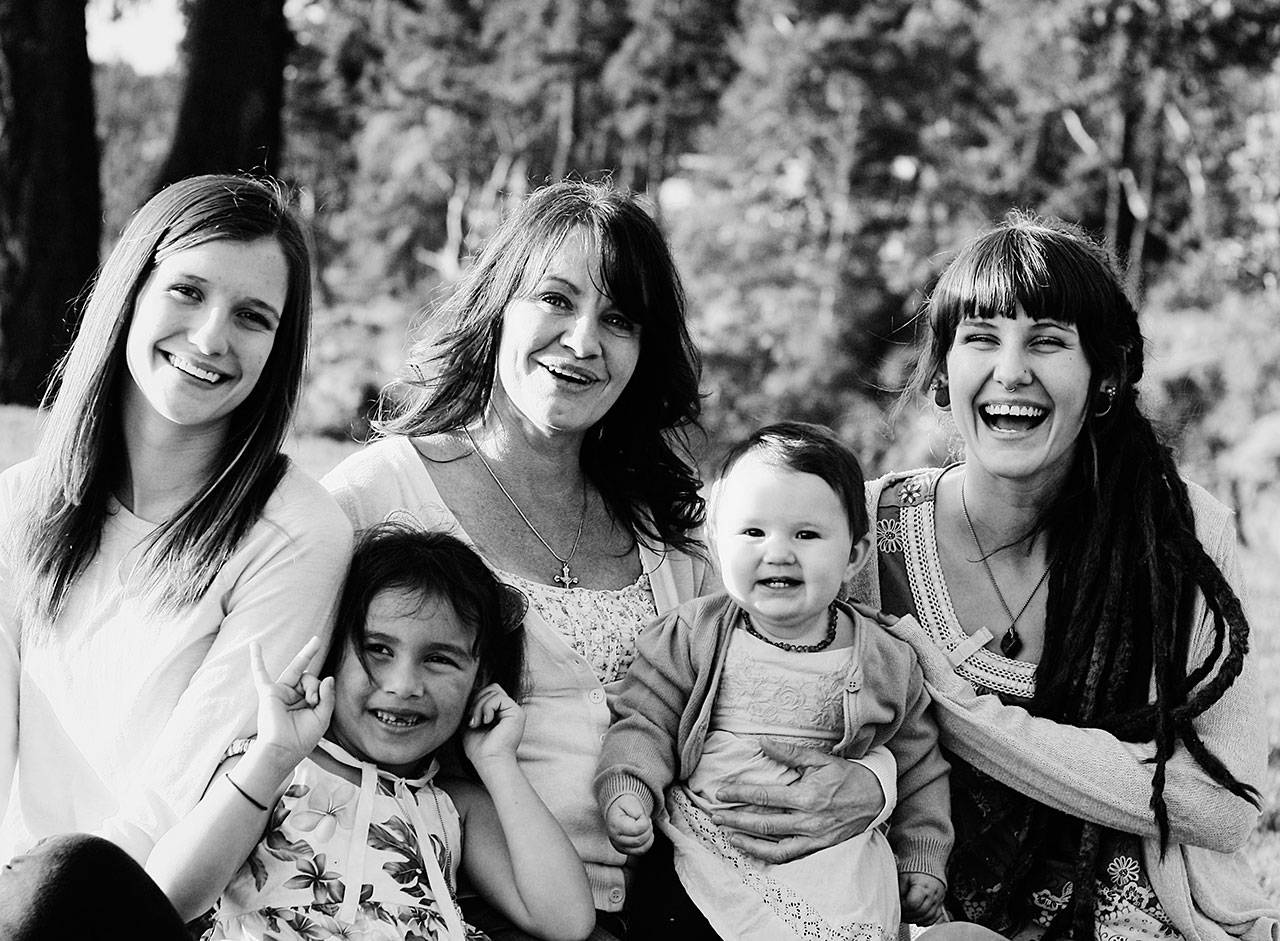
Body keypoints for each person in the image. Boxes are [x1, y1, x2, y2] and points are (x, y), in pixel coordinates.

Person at [321, 181, 896, 939]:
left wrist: (876, 782)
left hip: (690, 905)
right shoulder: (379, 493)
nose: (584, 340)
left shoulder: (675, 528)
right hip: (473, 903)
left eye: (619, 319)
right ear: (499, 304)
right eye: (557, 300)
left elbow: (820, 670)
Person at [849, 212, 1278, 941]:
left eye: (1047, 341)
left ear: (1104, 378)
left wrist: (957, 707)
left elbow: (1225, 800)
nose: (1011, 370)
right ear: (944, 376)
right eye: (981, 338)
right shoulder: (863, 533)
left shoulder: (1175, 530)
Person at [0, 174, 353, 935]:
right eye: (188, 291)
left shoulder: (292, 532)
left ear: (277, 348)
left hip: (152, 912)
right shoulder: (17, 507)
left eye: (252, 317)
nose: (210, 338)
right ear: (132, 289)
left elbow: (172, 813)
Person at [146, 523, 595, 941]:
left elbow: (567, 921)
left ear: (480, 681)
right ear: (331, 655)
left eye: (439, 659)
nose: (403, 685)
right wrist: (272, 755)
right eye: (378, 649)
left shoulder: (452, 806)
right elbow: (170, 897)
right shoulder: (275, 766)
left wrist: (498, 764)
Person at [596, 422, 952, 941]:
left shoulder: (885, 657)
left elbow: (919, 761)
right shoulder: (694, 635)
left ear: (854, 555)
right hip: (708, 854)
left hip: (834, 867)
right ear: (717, 547)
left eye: (805, 535)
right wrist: (627, 787)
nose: (778, 552)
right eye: (753, 532)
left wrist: (922, 855)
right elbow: (644, 719)